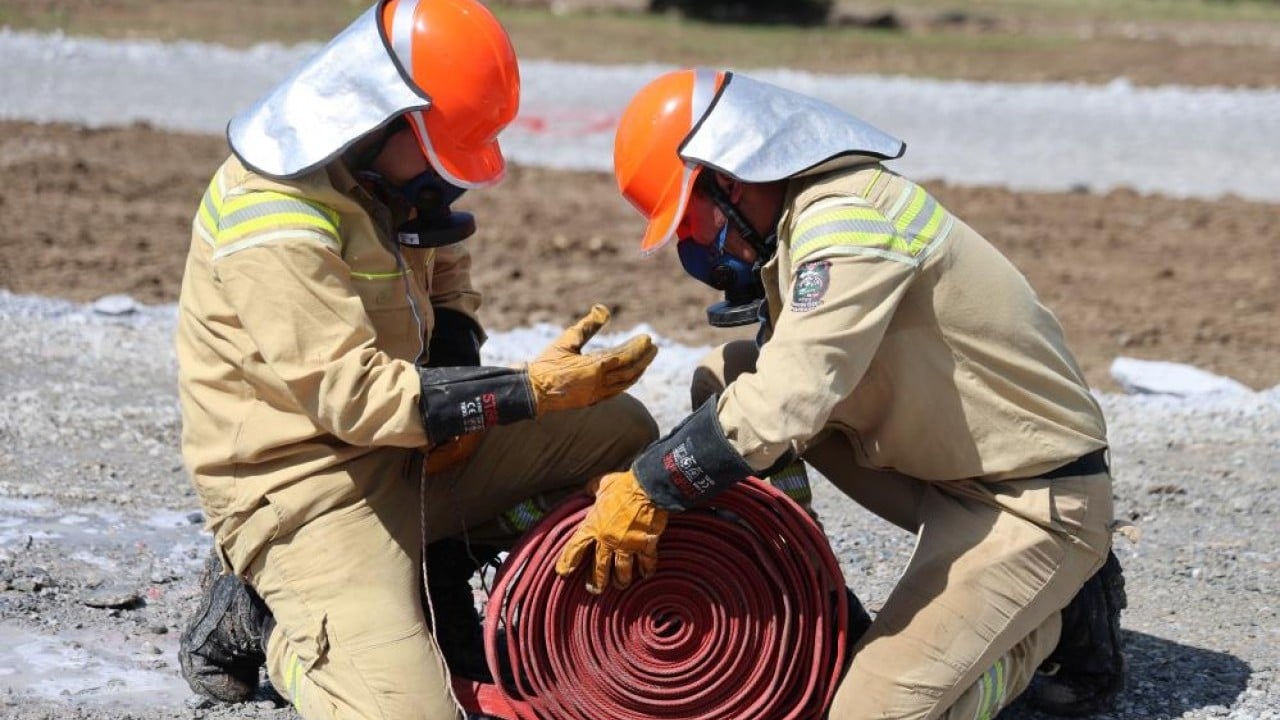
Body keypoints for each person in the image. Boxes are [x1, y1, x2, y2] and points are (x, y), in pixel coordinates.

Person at [554, 68, 1127, 719]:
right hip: (946, 469)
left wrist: (652, 481)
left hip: (1029, 500)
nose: (694, 245)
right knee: (730, 371)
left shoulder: (845, 223)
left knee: (868, 713)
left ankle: (1048, 623)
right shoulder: (803, 215)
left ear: (731, 178)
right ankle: (810, 590)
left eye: (690, 222)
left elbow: (792, 395)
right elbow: (771, 382)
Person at [173, 2, 660, 718]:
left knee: (621, 430)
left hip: (409, 447)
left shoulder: (392, 182)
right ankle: (271, 629)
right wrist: (519, 393)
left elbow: (447, 279)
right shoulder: (273, 216)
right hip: (311, 484)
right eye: (439, 150)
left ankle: (439, 559)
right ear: (382, 116)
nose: (447, 177)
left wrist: (467, 381)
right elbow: (353, 398)